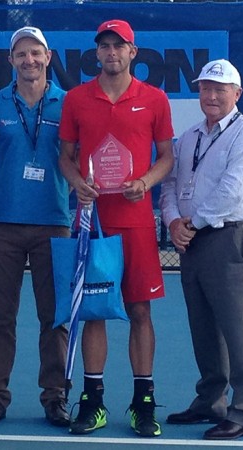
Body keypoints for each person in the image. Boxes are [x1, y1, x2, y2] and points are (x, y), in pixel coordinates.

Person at [58, 20, 174, 437]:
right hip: (92, 222)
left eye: (118, 46)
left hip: (137, 222)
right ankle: (93, 400)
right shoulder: (76, 99)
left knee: (140, 311)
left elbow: (166, 158)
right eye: (104, 46)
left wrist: (144, 182)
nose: (111, 53)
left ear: (132, 52)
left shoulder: (155, 99)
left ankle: (143, 401)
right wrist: (77, 184)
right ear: (98, 54)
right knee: (94, 312)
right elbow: (65, 157)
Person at [159, 59, 243, 440]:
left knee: (238, 327)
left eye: (220, 89)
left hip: (227, 236)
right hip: (191, 240)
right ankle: (210, 401)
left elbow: (232, 191)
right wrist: (174, 221)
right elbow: (170, 184)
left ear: (236, 94)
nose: (211, 95)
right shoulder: (189, 136)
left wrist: (191, 224)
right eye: (206, 88)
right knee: (202, 326)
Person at [0, 26, 70, 428]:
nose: (29, 60)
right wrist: (13, 194)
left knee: (55, 317)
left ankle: (55, 396)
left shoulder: (69, 104)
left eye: (36, 53)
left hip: (55, 224)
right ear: (11, 60)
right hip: (4, 226)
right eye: (21, 54)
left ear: (48, 57)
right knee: (1, 316)